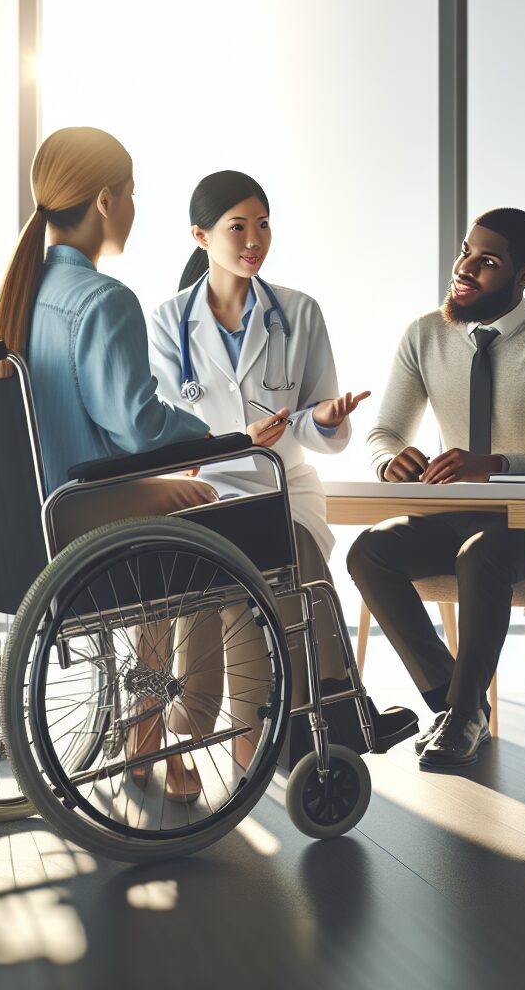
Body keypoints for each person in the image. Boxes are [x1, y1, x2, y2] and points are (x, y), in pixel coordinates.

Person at [149, 170, 418, 763]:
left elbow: (311, 422)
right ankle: (333, 711)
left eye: (264, 224)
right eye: (237, 227)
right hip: (206, 491)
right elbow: (168, 434)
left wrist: (322, 418)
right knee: (272, 565)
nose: (254, 240)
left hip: (284, 483)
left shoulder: (299, 312)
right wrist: (237, 441)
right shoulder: (167, 323)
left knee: (293, 548)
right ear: (201, 236)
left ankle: (328, 711)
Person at [0, 127, 219, 802]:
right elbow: (139, 426)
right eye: (133, 193)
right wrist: (203, 434)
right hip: (79, 516)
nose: (135, 207)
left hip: (33, 513)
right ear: (105, 200)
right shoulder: (102, 299)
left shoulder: (20, 295)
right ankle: (172, 729)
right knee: (204, 515)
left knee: (164, 509)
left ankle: (144, 728)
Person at [347, 208, 525, 769]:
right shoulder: (424, 335)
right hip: (458, 518)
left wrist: (493, 464)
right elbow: (383, 432)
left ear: (523, 276)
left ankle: (462, 713)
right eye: (466, 252)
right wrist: (390, 460)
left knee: (482, 553)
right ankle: (456, 706)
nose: (464, 268)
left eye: (487, 262)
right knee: (369, 551)